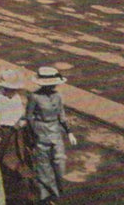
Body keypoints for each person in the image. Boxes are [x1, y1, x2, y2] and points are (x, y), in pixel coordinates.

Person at [26, 67, 77, 204]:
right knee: (44, 167)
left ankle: (57, 191)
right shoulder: (34, 96)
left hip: (55, 131)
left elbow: (62, 115)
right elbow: (29, 116)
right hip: (40, 131)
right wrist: (33, 134)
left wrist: (69, 132)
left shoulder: (58, 96)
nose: (52, 86)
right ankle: (46, 198)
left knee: (60, 162)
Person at [0, 70, 37, 204]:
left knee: (12, 156)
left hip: (13, 132)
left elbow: (18, 114)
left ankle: (7, 181)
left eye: (14, 89)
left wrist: (21, 122)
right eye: (9, 89)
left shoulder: (16, 99)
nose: (11, 91)